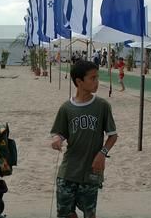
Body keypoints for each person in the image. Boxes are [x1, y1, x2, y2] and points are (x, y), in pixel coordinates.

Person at [51, 61, 118, 218]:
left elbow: (113, 135)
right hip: (68, 170)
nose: (97, 82)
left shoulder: (102, 106)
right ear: (79, 82)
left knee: (89, 212)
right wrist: (57, 139)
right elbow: (60, 132)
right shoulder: (66, 108)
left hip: (91, 171)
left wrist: (102, 154)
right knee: (65, 213)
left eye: (97, 78)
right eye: (92, 78)